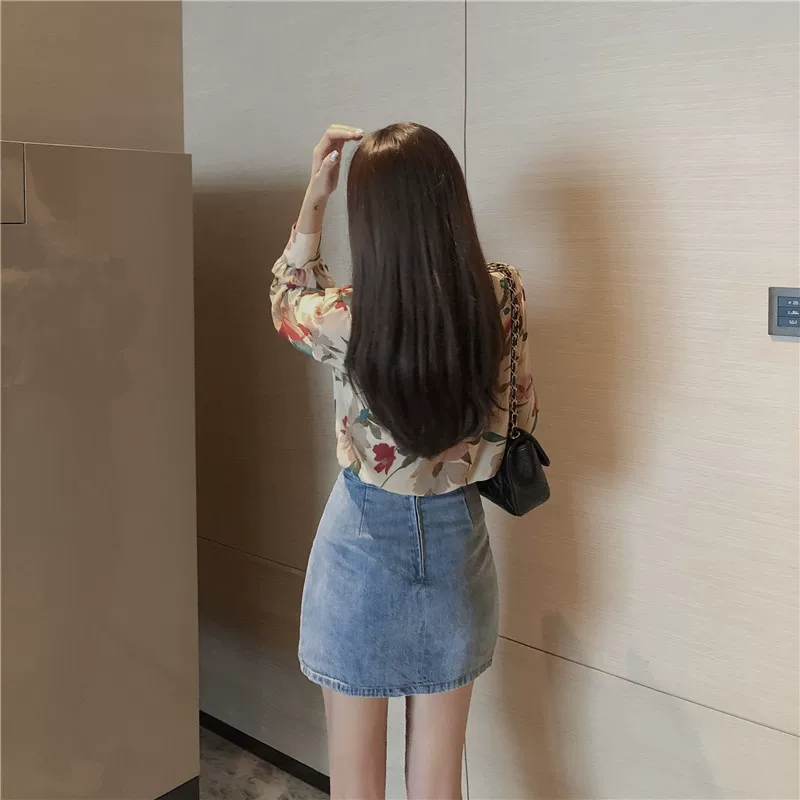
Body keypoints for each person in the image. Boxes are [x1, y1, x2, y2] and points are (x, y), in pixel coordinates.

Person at [270, 122, 537, 800]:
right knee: (439, 781)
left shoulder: (345, 317)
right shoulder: (502, 294)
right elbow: (522, 412)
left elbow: (286, 295)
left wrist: (315, 194)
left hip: (359, 545)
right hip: (457, 548)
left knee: (356, 782)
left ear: (372, 220)